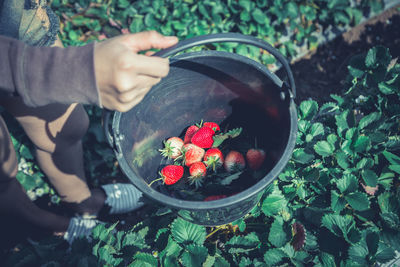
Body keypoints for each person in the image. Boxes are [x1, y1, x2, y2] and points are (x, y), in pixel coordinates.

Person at [0, 0, 178, 244]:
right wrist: (72, 72)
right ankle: (41, 221)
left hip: (15, 17)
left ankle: (83, 202)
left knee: (66, 127)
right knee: (3, 165)